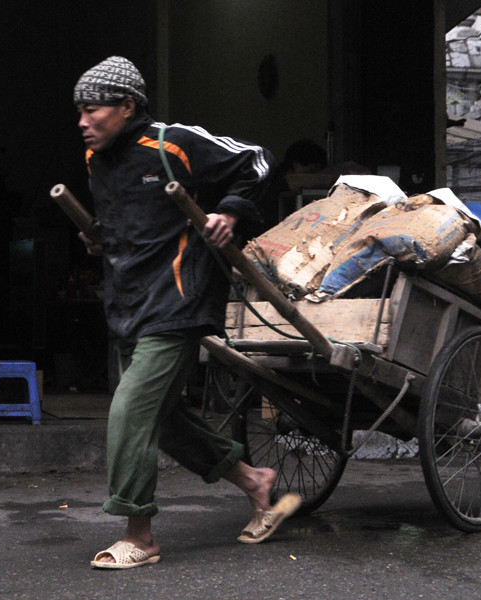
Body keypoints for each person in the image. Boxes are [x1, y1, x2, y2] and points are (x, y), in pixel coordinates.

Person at [72, 56, 299, 570]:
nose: (82, 122)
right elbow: (130, 222)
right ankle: (254, 480)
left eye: (92, 110)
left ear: (127, 106)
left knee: (131, 411)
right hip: (128, 303)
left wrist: (231, 212)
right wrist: (100, 238)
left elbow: (257, 160)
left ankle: (139, 535)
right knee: (165, 420)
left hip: (179, 299)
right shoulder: (95, 160)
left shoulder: (172, 143)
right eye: (79, 112)